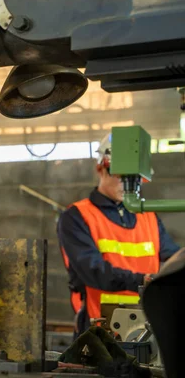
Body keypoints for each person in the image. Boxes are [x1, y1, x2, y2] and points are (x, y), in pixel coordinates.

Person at [57, 133, 180, 337]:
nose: (128, 184)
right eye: (121, 175)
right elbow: (93, 271)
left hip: (148, 328)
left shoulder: (148, 216)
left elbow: (173, 257)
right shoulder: (77, 217)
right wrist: (145, 281)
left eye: (135, 179)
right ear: (101, 168)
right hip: (101, 332)